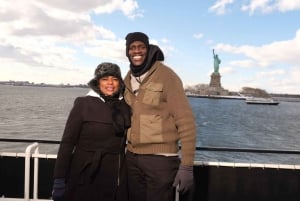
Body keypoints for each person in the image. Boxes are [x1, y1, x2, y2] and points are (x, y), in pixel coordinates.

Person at [123, 32, 196, 201]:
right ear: (127, 52)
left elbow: (186, 122)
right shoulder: (127, 79)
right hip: (132, 158)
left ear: (148, 50)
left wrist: (187, 166)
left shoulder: (167, 76)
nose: (136, 51)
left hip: (160, 161)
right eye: (132, 48)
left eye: (141, 47)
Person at [52, 62, 131, 201]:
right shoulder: (83, 104)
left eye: (115, 79)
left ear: (120, 82)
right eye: (105, 79)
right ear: (97, 82)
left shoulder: (125, 106)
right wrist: (59, 179)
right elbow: (67, 143)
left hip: (115, 174)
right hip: (84, 172)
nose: (110, 83)